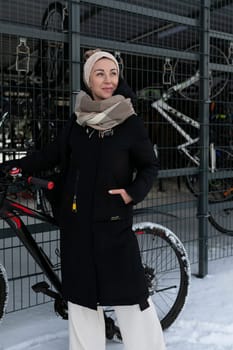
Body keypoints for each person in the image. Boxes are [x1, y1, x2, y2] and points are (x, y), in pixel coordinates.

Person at [1, 49, 166, 350]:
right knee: (82, 303)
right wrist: (17, 166)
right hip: (76, 226)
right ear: (88, 78)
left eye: (113, 73)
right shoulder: (78, 122)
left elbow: (149, 165)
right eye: (99, 73)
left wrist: (133, 192)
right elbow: (51, 154)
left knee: (132, 301)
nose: (108, 80)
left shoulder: (129, 122)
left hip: (113, 224)